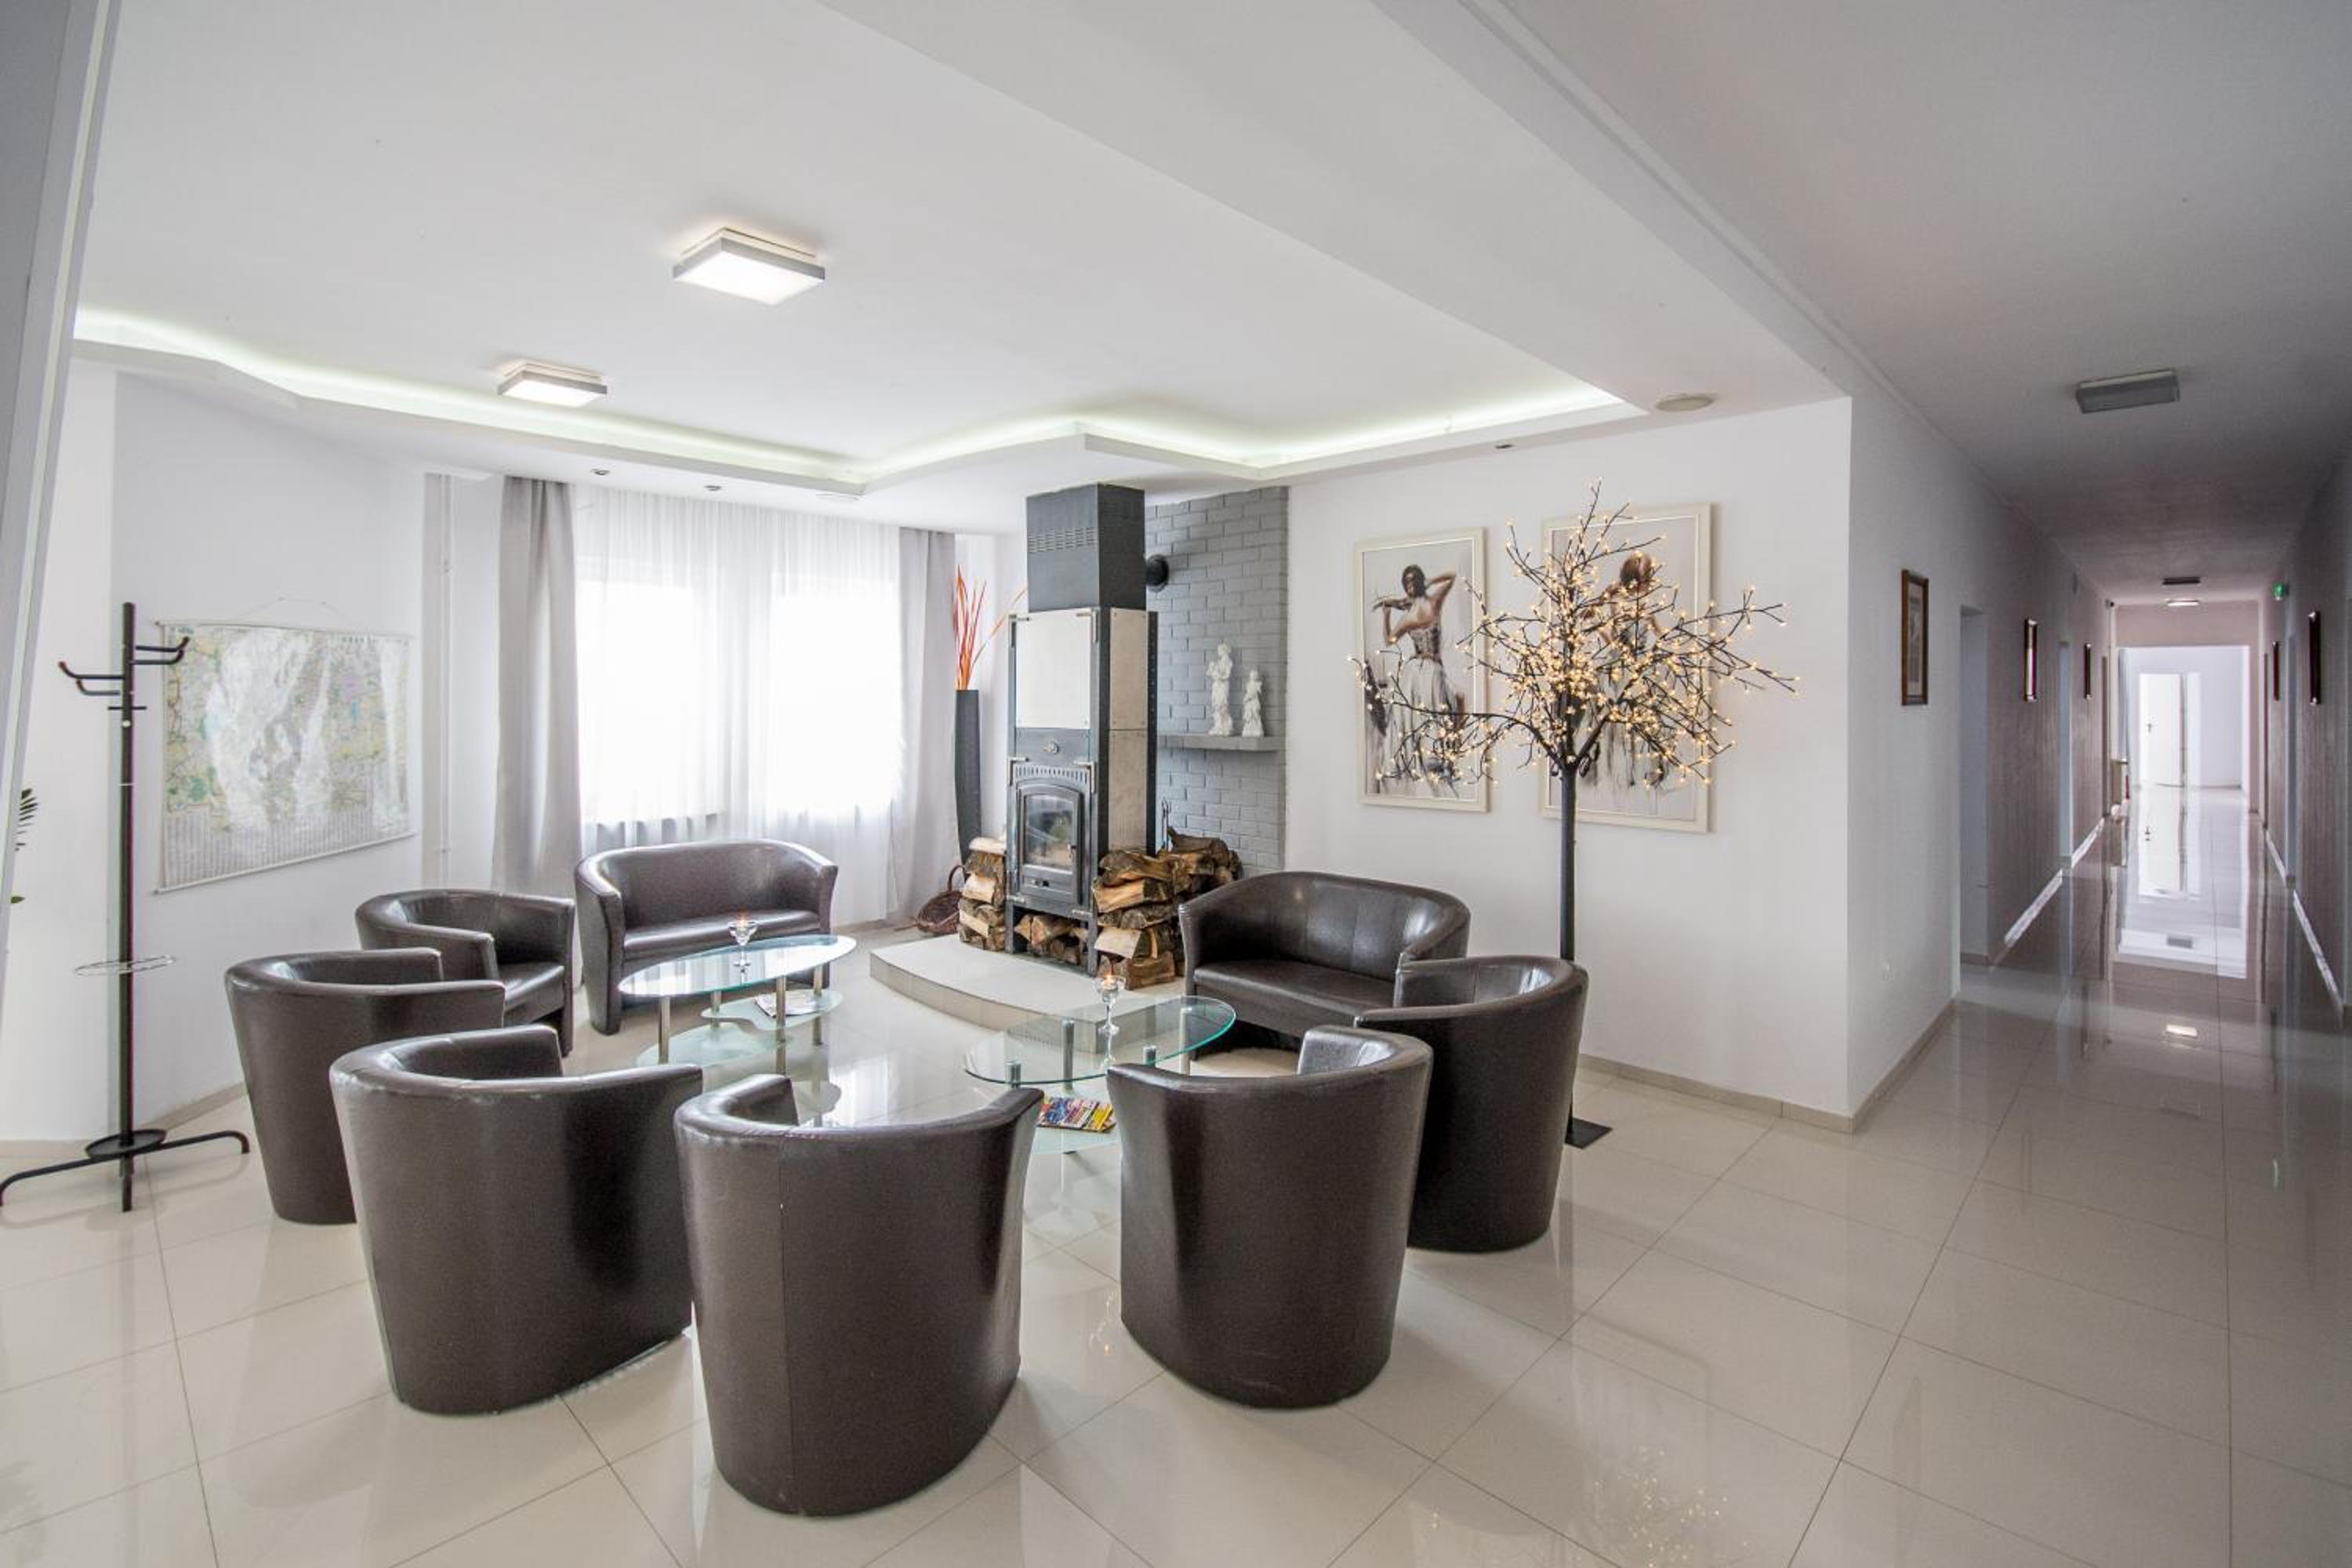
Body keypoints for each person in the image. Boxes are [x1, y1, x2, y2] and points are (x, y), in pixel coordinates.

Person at [1370, 564, 1460, 785]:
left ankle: (1436, 760)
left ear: (1421, 581)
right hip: (1416, 669)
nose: (1410, 586)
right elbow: (1390, 640)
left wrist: (1430, 581)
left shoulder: (1433, 602)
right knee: (1408, 714)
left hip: (1431, 668)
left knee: (1436, 712)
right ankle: (1418, 760)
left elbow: (1452, 576)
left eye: (1414, 581)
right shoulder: (1410, 615)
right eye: (1407, 583)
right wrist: (1387, 614)